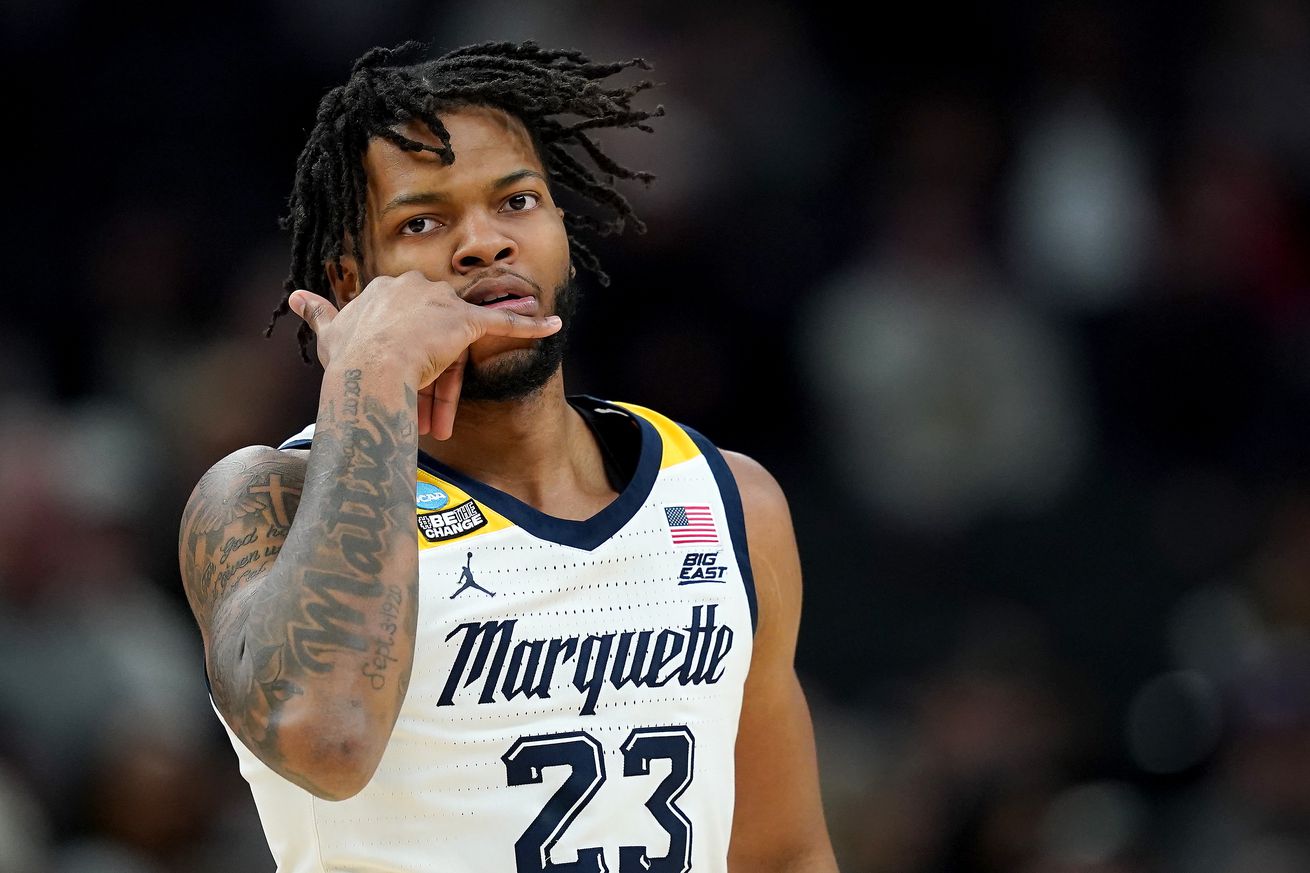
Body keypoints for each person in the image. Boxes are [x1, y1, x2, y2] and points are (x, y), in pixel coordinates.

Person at [177, 38, 838, 873]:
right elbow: (327, 738)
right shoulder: (264, 499)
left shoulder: (729, 500)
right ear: (351, 283)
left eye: (517, 202)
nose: (482, 244)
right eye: (422, 222)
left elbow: (783, 854)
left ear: (561, 227)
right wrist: (371, 373)